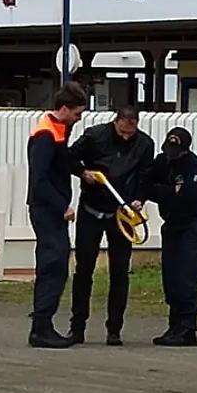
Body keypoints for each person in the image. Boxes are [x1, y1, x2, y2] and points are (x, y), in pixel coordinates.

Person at [67, 105, 154, 346]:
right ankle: (77, 327)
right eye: (123, 131)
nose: (126, 136)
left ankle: (114, 329)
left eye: (131, 132)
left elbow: (146, 175)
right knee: (84, 269)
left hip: (121, 215)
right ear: (116, 122)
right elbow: (69, 157)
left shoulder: (144, 144)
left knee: (120, 272)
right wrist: (83, 172)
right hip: (91, 210)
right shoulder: (95, 136)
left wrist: (139, 198)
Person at [26, 82, 88, 348]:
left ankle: (44, 323)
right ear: (64, 108)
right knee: (53, 266)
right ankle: (41, 327)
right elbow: (39, 179)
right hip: (47, 211)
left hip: (51, 211)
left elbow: (62, 162)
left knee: (57, 265)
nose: (79, 118)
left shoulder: (59, 131)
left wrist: (82, 172)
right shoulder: (45, 135)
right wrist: (60, 205)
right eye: (77, 113)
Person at [139, 126, 197, 346]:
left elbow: (183, 197)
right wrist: (154, 192)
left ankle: (187, 328)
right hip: (172, 226)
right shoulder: (162, 162)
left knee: (186, 278)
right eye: (168, 148)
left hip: (193, 227)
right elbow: (144, 183)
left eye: (175, 150)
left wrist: (159, 191)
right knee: (171, 278)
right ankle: (174, 326)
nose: (170, 154)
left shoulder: (194, 167)